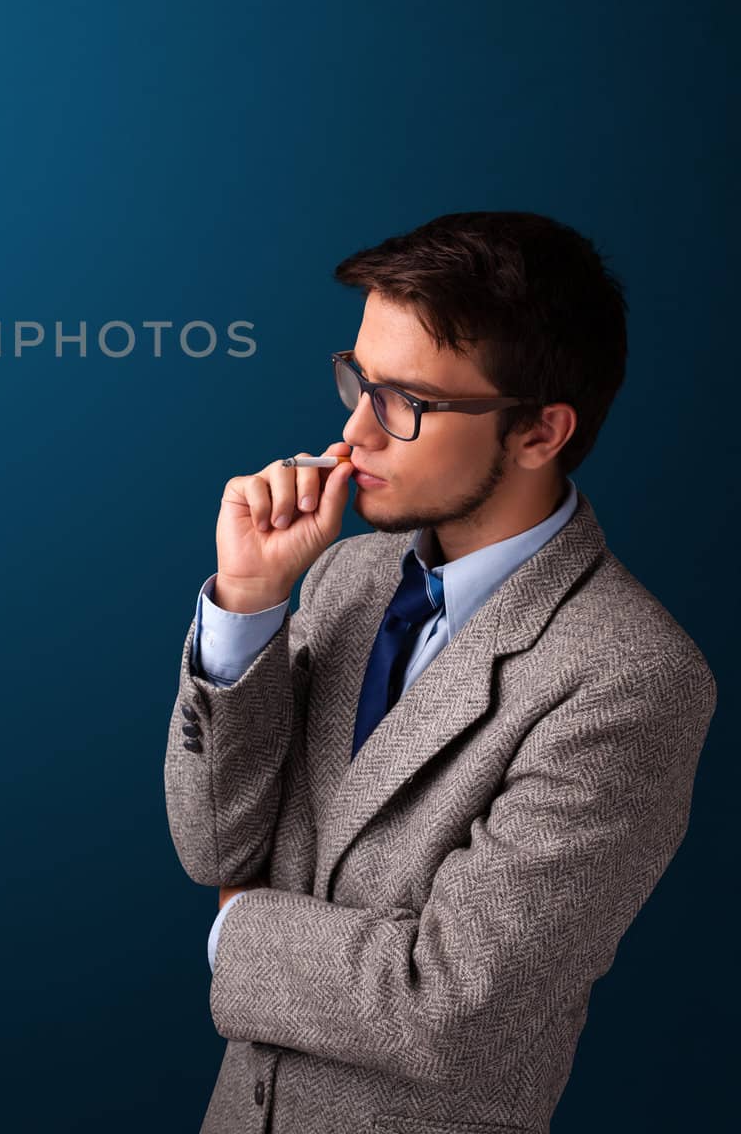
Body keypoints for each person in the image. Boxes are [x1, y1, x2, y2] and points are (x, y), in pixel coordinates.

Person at [163, 210, 716, 1134]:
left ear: (540, 433)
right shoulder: (344, 574)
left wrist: (235, 931)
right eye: (356, 380)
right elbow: (214, 849)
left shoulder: (630, 678)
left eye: (405, 401)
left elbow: (452, 1008)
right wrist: (248, 605)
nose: (352, 433)